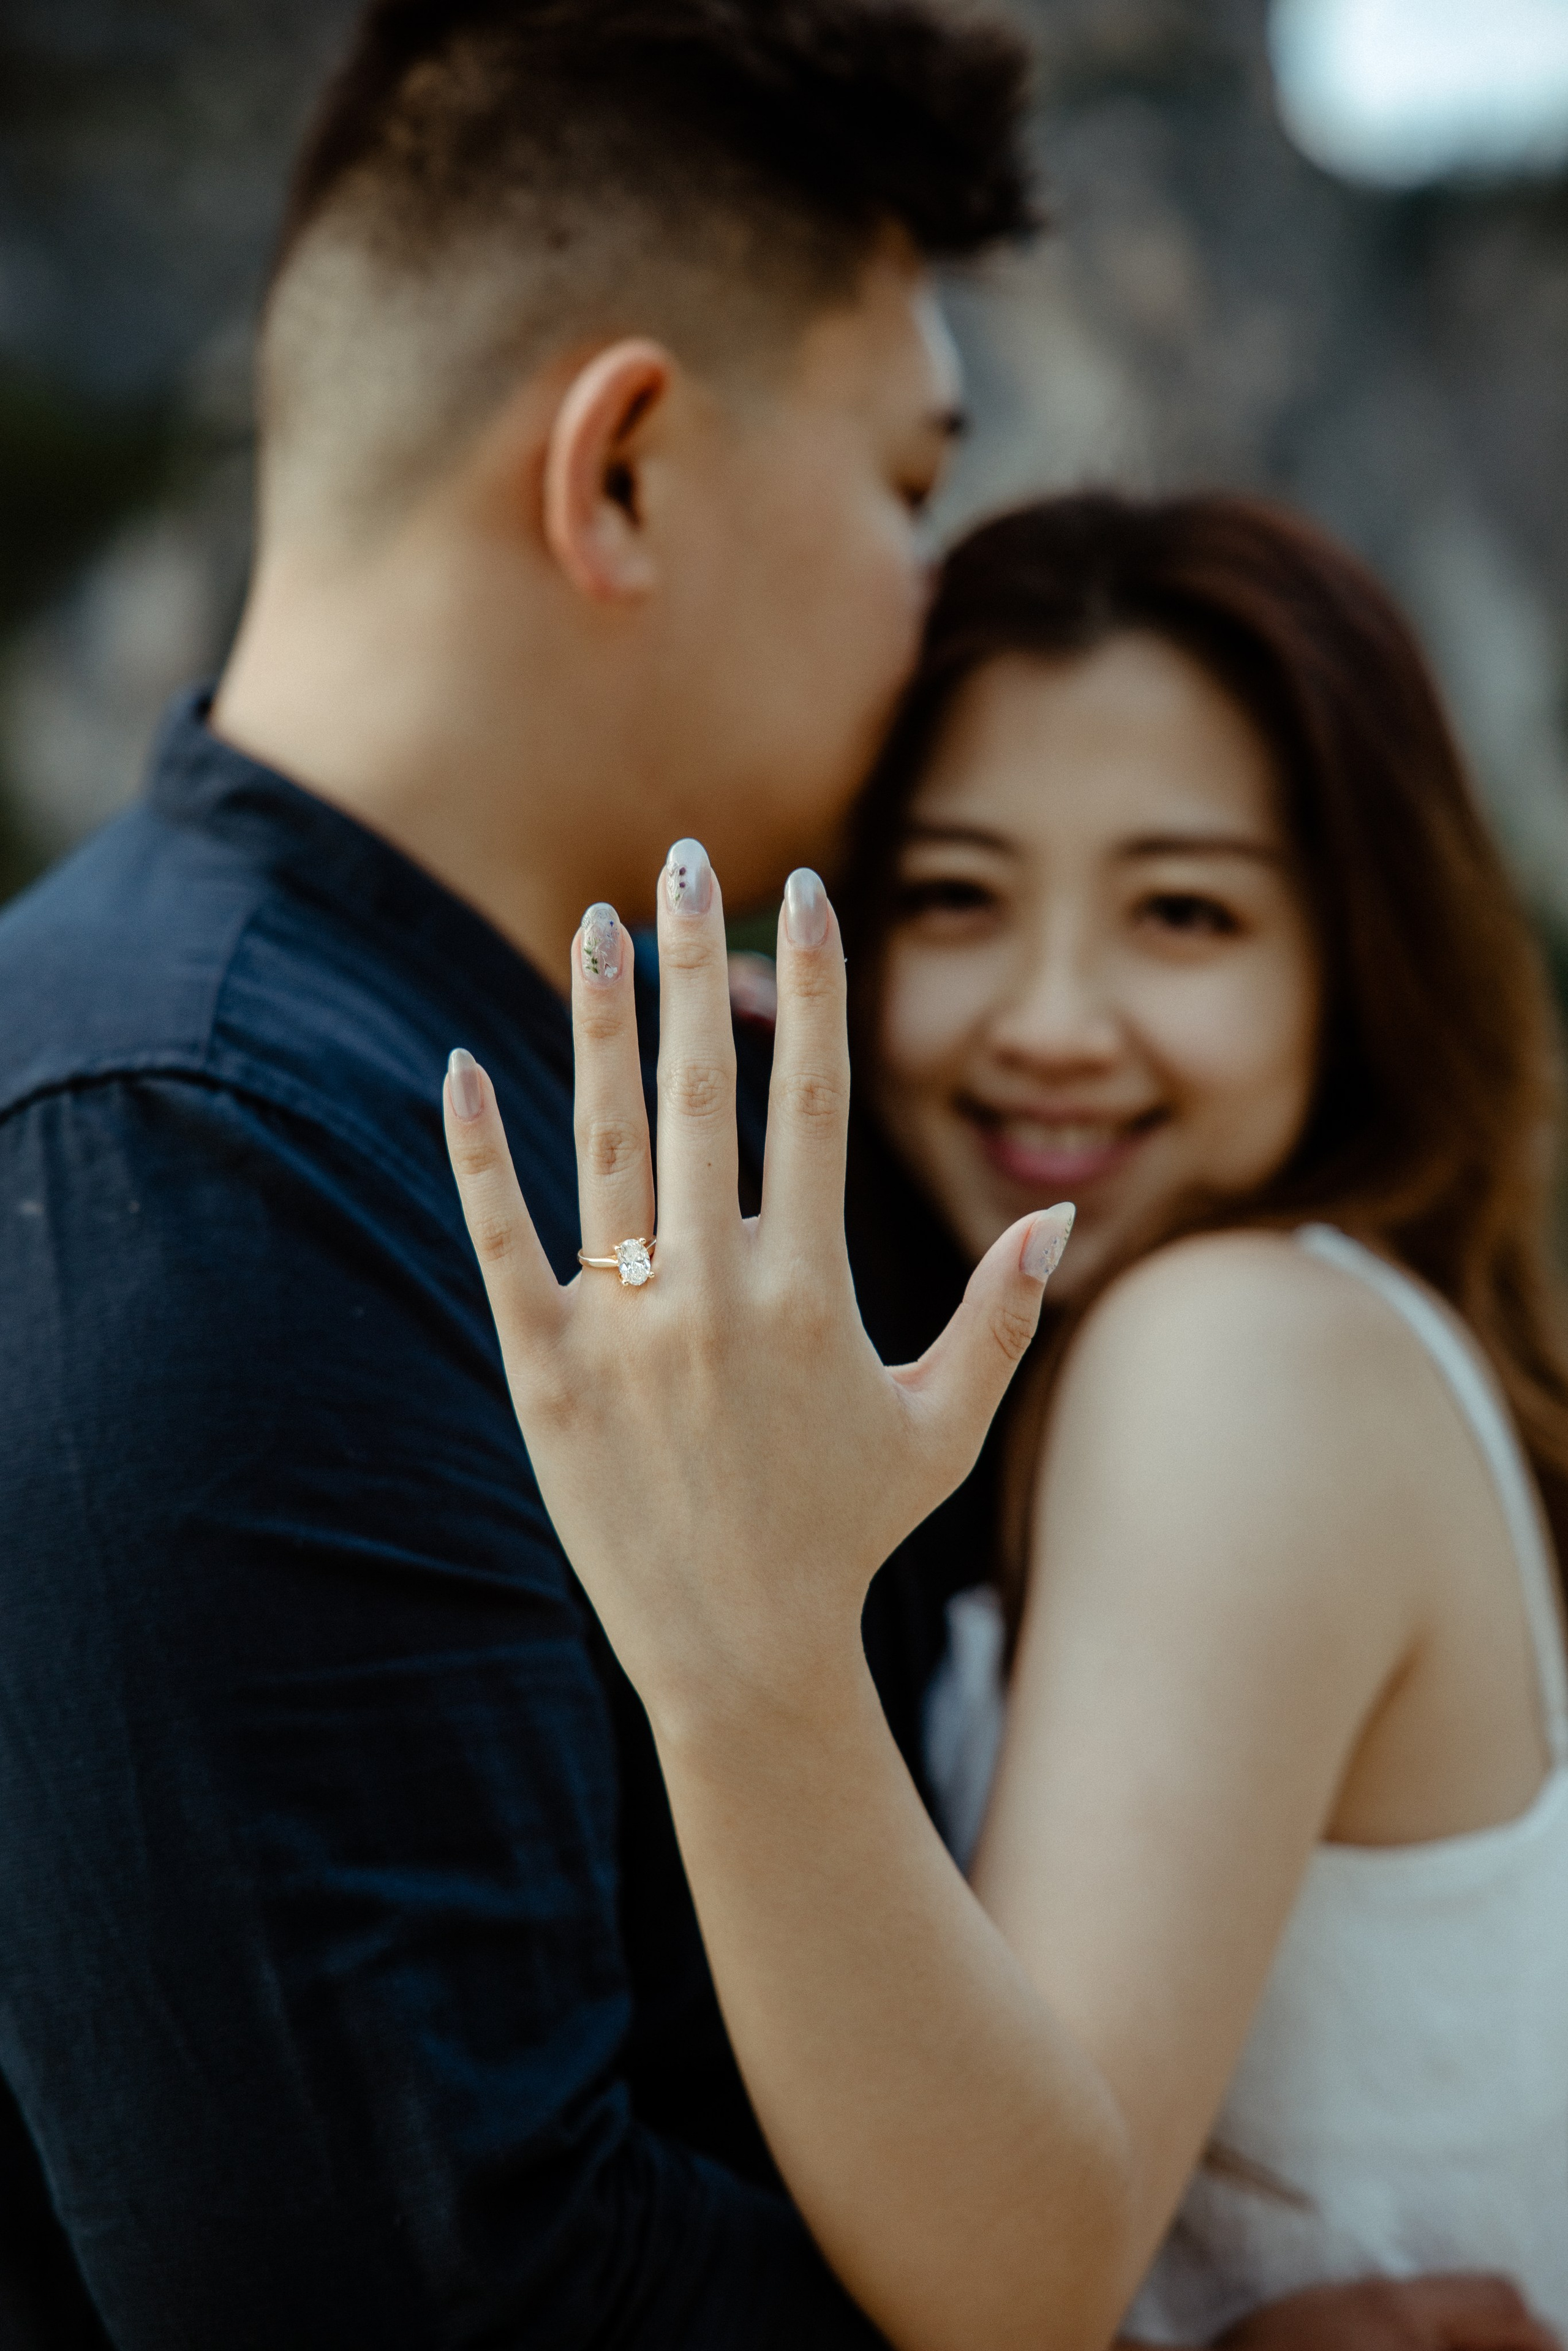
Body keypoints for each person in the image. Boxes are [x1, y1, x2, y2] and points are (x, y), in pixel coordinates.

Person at [0, 0, 1541, 2333]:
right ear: (622, 474)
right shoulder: (194, 1163)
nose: (935, 598)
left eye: (1186, 909)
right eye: (908, 487)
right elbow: (433, 2298)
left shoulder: (623, 1111)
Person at [444, 497, 1568, 2349]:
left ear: (1358, 960)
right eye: (955, 900)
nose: (1049, 1023)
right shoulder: (1194, 1341)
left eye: (1184, 913)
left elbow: (1019, 2284)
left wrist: (740, 1643)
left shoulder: (1237, 1351)